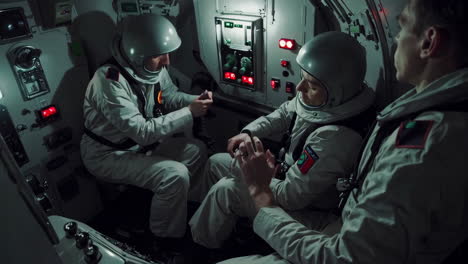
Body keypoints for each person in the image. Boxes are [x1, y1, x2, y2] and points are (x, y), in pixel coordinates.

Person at [220, 0, 468, 263]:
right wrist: (249, 132)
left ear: (429, 42)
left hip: (334, 232)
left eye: (402, 26)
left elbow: (347, 256)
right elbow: (284, 112)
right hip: (346, 226)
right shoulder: (429, 116)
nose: (395, 39)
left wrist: (261, 190)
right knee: (222, 173)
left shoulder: (422, 146)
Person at [189, 31, 376, 253]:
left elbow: (291, 196)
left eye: (311, 85)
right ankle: (222, 228)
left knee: (225, 189)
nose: (300, 89)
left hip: (306, 207)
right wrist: (249, 132)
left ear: (336, 92)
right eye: (303, 79)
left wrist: (255, 175)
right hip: (285, 176)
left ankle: (200, 249)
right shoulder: (320, 102)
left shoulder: (335, 138)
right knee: (216, 162)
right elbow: (283, 114)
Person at [80, 14, 213, 258]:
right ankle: (162, 241)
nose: (167, 61)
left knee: (196, 150)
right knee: (175, 175)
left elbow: (169, 96)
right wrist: (189, 113)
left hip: (137, 148)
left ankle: (174, 209)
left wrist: (193, 101)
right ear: (137, 55)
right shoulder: (108, 81)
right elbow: (142, 132)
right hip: (107, 154)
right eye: (159, 56)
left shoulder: (151, 66)